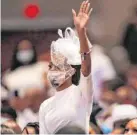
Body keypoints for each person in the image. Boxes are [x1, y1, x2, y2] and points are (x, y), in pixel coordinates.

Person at [39, 1, 93, 134]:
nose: (51, 71)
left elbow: (86, 69)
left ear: (71, 70)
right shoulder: (46, 106)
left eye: (57, 67)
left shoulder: (80, 93)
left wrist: (81, 32)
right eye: (50, 66)